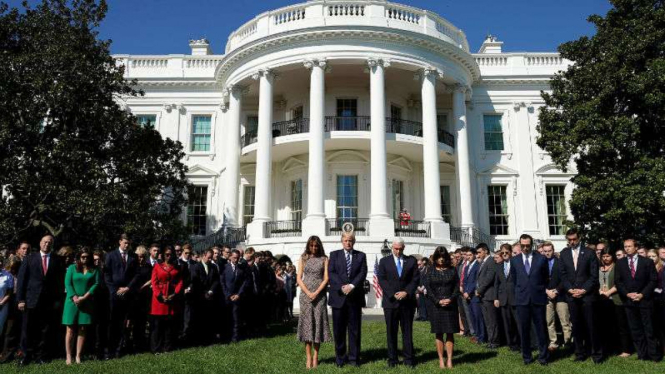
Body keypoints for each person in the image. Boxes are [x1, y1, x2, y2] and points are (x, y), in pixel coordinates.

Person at [16, 234, 65, 365]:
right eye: (45, 242)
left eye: (50, 242)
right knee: (28, 329)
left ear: (52, 244)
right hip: (31, 300)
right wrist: (20, 299)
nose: (47, 244)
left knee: (45, 330)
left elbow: (60, 282)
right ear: (40, 243)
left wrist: (58, 301)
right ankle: (26, 355)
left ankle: (41, 356)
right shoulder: (30, 258)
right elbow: (22, 280)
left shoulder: (57, 260)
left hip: (48, 302)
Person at [559, 228, 602, 363]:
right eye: (569, 239)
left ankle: (597, 354)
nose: (572, 242)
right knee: (576, 326)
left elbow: (594, 276)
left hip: (587, 296)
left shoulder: (589, 253)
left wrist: (584, 290)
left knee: (591, 326)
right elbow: (563, 275)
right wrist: (570, 289)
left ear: (579, 238)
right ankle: (580, 353)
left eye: (574, 239)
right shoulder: (564, 253)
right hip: (572, 296)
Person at [615, 239, 661, 362]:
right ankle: (642, 354)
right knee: (635, 329)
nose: (627, 248)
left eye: (629, 246)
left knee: (649, 328)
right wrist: (627, 294)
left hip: (645, 301)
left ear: (636, 247)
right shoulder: (620, 263)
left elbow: (653, 280)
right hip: (629, 301)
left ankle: (654, 355)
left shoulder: (647, 262)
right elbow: (618, 281)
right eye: (625, 246)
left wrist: (642, 294)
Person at [377, 238, 419, 368]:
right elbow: (382, 279)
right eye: (396, 248)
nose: (398, 251)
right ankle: (392, 360)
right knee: (391, 332)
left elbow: (415, 279)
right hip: (390, 302)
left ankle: (409, 360)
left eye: (401, 249)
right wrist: (392, 294)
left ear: (404, 247)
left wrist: (406, 292)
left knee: (407, 332)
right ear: (392, 248)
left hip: (407, 303)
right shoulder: (384, 261)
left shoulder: (411, 261)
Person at [328, 232, 368, 368]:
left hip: (354, 299)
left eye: (350, 240)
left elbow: (363, 272)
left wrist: (351, 286)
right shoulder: (334, 255)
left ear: (354, 241)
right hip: (338, 298)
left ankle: (354, 358)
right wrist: (342, 286)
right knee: (338, 331)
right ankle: (340, 358)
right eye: (345, 240)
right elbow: (331, 272)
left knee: (354, 330)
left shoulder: (361, 256)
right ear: (341, 241)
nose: (348, 243)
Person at [510, 234, 550, 365]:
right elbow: (515, 280)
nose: (525, 248)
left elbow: (545, 278)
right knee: (524, 330)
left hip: (538, 299)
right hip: (522, 300)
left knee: (541, 329)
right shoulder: (514, 260)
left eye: (528, 245)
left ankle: (543, 356)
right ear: (520, 245)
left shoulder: (541, 259)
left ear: (531, 244)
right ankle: (526, 357)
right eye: (523, 246)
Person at [297, 236, 332, 369]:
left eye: (316, 246)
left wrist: (316, 292)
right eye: (311, 246)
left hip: (320, 295)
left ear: (319, 246)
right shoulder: (303, 258)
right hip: (305, 296)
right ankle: (308, 357)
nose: (314, 248)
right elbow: (299, 278)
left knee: (318, 325)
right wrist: (308, 292)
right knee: (307, 326)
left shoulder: (324, 258)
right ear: (308, 245)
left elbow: (326, 278)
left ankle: (316, 356)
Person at [62, 247, 100, 365]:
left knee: (82, 329)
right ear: (78, 257)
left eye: (87, 257)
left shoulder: (94, 269)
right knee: (70, 329)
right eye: (82, 257)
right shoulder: (72, 268)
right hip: (71, 302)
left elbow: (96, 283)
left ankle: (78, 355)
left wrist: (84, 297)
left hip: (86, 302)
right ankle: (69, 355)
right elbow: (67, 283)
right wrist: (74, 297)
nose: (84, 259)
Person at [424, 246, 460, 369]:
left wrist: (450, 299)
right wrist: (438, 301)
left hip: (450, 305)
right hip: (436, 306)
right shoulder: (430, 270)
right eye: (439, 257)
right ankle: (441, 360)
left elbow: (456, 286)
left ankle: (449, 360)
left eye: (443, 257)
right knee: (438, 333)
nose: (441, 259)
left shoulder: (453, 270)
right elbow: (428, 288)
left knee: (450, 333)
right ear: (435, 257)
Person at [103, 233, 138, 359]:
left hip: (127, 294)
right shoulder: (111, 255)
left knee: (123, 324)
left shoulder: (133, 257)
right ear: (119, 242)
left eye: (128, 243)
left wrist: (128, 288)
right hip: (114, 295)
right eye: (125, 243)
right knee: (112, 323)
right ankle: (109, 351)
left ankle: (118, 350)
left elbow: (136, 275)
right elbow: (107, 274)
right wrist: (114, 290)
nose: (126, 245)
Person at [598, 247, 632, 357]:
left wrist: (608, 292)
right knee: (605, 326)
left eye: (608, 256)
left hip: (616, 299)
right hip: (602, 300)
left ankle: (625, 349)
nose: (605, 258)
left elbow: (620, 282)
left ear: (612, 256)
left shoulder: (618, 267)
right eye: (603, 256)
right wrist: (600, 291)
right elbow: (595, 280)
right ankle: (609, 348)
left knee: (620, 326)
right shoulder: (598, 267)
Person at [150, 247, 184, 354]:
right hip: (159, 300)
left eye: (170, 254)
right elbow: (154, 283)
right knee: (157, 326)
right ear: (163, 255)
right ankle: (156, 348)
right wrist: (160, 295)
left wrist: (174, 294)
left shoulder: (177, 267)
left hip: (171, 299)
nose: (168, 256)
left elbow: (180, 282)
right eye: (166, 254)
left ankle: (167, 347)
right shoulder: (157, 266)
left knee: (169, 326)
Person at [542, 242, 572, 351]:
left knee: (565, 320)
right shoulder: (540, 263)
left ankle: (568, 342)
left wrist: (557, 290)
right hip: (546, 296)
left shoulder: (560, 262)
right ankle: (553, 342)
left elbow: (565, 278)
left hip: (561, 295)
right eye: (545, 251)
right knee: (549, 321)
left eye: (549, 251)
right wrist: (547, 291)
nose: (547, 253)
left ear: (553, 250)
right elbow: (538, 280)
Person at [189, 247, 220, 345]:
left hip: (210, 297)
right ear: (203, 256)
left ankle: (208, 339)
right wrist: (203, 293)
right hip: (199, 297)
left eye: (211, 258)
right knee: (199, 319)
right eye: (209, 258)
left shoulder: (213, 267)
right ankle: (199, 340)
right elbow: (195, 281)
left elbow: (216, 280)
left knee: (209, 319)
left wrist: (211, 291)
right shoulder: (196, 267)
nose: (210, 260)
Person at [494, 243, 519, 351]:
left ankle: (521, 343)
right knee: (507, 323)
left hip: (515, 298)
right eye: (502, 253)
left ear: (510, 252)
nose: (504, 254)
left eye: (506, 252)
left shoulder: (516, 264)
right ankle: (511, 344)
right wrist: (496, 298)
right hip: (503, 299)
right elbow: (496, 283)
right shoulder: (498, 266)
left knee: (518, 323)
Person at [129, 245, 153, 353]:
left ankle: (140, 344)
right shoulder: (132, 266)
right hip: (133, 297)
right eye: (139, 256)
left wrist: (143, 286)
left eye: (143, 256)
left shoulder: (148, 266)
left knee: (142, 322)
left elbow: (152, 279)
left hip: (144, 296)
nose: (141, 258)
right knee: (130, 322)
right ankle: (130, 344)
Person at [475, 243, 499, 349]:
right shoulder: (483, 262)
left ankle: (494, 341)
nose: (478, 255)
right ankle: (491, 340)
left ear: (486, 251)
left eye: (480, 252)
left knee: (492, 320)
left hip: (488, 295)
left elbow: (489, 279)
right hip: (483, 296)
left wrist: (479, 290)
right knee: (487, 320)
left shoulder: (491, 262)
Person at [0, 255, 22, 363]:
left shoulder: (20, 275)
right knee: (4, 330)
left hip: (15, 304)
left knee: (10, 330)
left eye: (16, 267)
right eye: (12, 267)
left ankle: (7, 353)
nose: (13, 269)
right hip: (6, 304)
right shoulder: (5, 274)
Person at [221, 249, 246, 343]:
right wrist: (228, 295)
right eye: (234, 258)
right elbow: (222, 282)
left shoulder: (241, 269)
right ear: (230, 257)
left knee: (236, 318)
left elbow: (244, 282)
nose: (236, 260)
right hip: (227, 297)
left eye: (238, 258)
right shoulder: (224, 267)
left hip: (237, 297)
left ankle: (235, 337)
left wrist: (239, 294)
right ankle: (226, 336)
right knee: (227, 317)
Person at [462, 247, 482, 344]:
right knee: (472, 316)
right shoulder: (466, 267)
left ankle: (481, 336)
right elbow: (464, 281)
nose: (468, 257)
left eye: (470, 255)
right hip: (467, 295)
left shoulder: (478, 265)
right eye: (467, 255)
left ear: (474, 255)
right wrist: (465, 292)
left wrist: (469, 292)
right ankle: (476, 335)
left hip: (474, 295)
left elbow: (476, 281)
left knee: (477, 316)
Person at [91, 250, 109, 360]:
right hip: (91, 301)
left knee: (102, 327)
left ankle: (101, 351)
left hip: (103, 302)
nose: (96, 262)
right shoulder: (90, 271)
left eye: (98, 259)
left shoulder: (104, 271)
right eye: (94, 260)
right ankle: (93, 351)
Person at [646, 249, 664, 351]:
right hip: (649, 298)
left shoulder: (662, 268)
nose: (651, 258)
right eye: (649, 257)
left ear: (658, 256)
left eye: (653, 256)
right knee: (652, 324)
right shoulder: (646, 268)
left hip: (660, 299)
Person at [0, 256, 14, 341]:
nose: (0, 263)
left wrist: (2, 303)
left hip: (2, 307)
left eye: (1, 261)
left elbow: (10, 292)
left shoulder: (8, 276)